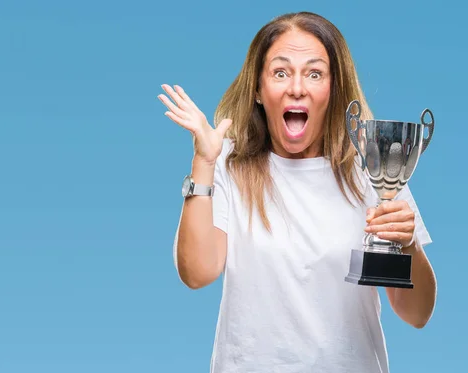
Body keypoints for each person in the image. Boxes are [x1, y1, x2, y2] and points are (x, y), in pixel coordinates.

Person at [158, 11, 437, 373]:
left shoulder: (370, 170)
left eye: (314, 73)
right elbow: (197, 272)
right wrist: (203, 163)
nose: (297, 87)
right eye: (280, 72)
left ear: (333, 89)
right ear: (258, 89)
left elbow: (416, 315)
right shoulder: (229, 164)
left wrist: (408, 242)